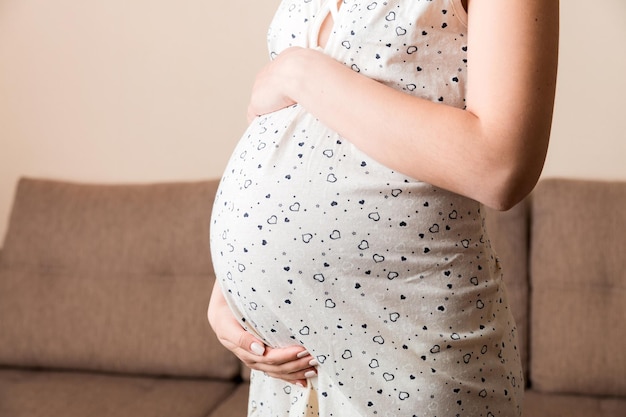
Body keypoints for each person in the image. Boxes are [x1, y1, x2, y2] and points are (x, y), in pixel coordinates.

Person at [208, 0, 559, 416]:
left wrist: (298, 72)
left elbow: (501, 167)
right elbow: (303, 128)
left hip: (412, 356)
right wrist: (230, 290)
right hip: (290, 377)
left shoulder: (299, 69)